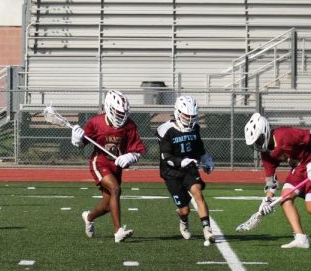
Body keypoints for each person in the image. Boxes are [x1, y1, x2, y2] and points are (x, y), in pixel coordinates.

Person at [245, 113, 311, 249]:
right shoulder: (265, 153)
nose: (257, 144)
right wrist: (267, 199)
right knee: (285, 200)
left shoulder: (284, 134)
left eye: (258, 140)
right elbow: (271, 181)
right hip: (297, 170)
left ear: (265, 131)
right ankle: (300, 238)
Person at [71, 90, 145, 242]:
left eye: (123, 113)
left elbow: (137, 150)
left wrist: (130, 157)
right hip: (100, 161)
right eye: (118, 113)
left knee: (107, 205)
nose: (121, 117)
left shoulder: (129, 125)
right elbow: (81, 143)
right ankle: (118, 231)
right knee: (115, 189)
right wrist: (76, 138)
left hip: (116, 166)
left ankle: (89, 217)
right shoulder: (96, 122)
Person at [157, 96, 216, 244]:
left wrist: (205, 159)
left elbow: (199, 148)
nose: (189, 119)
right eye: (186, 115)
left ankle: (207, 229)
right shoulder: (166, 130)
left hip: (189, 168)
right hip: (171, 172)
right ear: (177, 112)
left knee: (197, 192)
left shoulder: (195, 128)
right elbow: (166, 157)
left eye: (192, 116)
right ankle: (183, 220)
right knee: (185, 209)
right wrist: (181, 161)